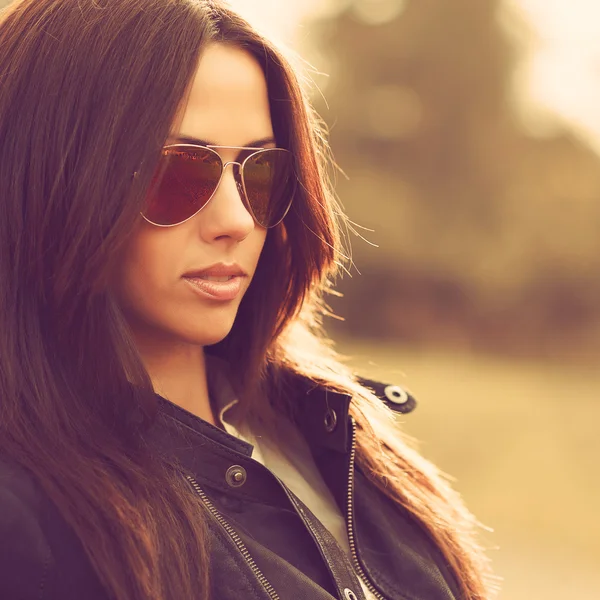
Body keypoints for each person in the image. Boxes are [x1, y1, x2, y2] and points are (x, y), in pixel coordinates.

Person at [0, 1, 496, 599]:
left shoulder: (331, 430)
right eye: (177, 172)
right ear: (53, 176)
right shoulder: (26, 522)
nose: (235, 220)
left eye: (260, 173)